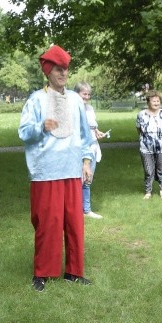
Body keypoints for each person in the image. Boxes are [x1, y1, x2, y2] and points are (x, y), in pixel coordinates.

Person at [19, 45, 95, 292]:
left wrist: (86, 161)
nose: (63, 73)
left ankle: (74, 271)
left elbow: (85, 134)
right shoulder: (36, 100)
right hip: (46, 171)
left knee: (74, 223)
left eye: (65, 69)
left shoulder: (75, 99)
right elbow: (24, 132)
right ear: (48, 72)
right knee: (48, 223)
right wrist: (41, 126)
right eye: (58, 69)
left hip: (72, 169)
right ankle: (43, 272)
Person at [75, 82, 106, 220]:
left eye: (88, 94)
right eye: (84, 94)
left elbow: (93, 127)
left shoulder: (90, 109)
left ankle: (86, 210)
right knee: (78, 180)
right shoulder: (74, 109)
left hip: (93, 147)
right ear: (77, 94)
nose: (87, 97)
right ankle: (74, 210)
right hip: (81, 148)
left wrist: (98, 132)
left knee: (88, 180)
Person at [136, 90, 162, 199]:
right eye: (153, 101)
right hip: (146, 146)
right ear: (148, 102)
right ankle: (148, 191)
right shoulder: (141, 114)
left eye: (158, 101)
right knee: (148, 170)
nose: (156, 103)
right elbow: (138, 129)